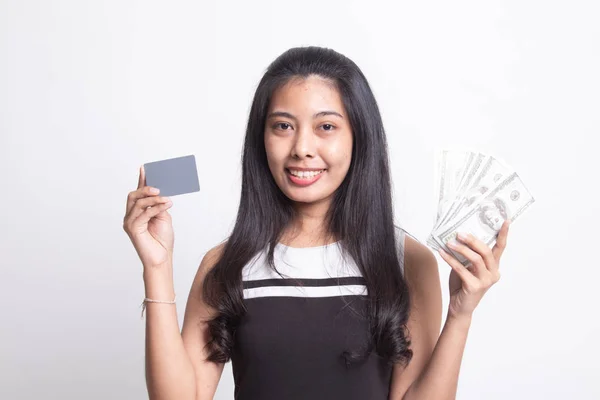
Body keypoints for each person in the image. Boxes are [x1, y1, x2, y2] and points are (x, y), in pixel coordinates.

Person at [123, 46, 511, 400]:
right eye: (282, 126)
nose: (302, 148)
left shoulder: (406, 261)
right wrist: (157, 268)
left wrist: (460, 314)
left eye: (326, 126)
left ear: (359, 136)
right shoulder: (227, 264)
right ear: (261, 139)